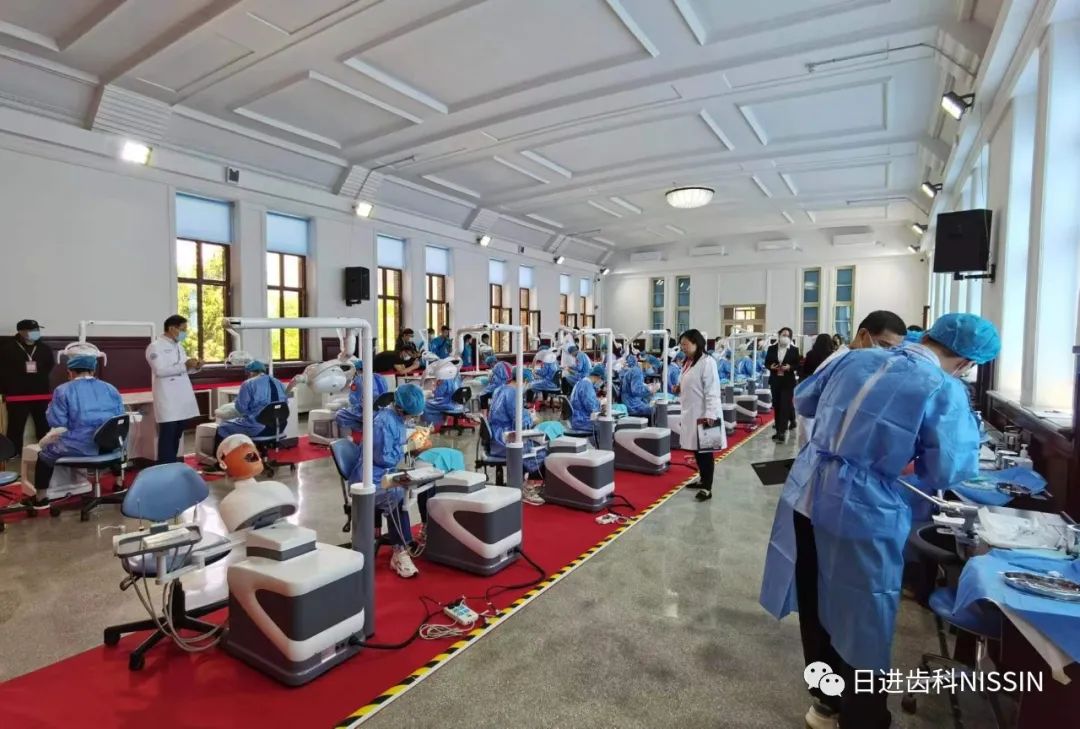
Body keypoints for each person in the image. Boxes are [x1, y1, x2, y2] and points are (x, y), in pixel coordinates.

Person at [759, 313, 1000, 729]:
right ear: (965, 362)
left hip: (807, 491)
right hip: (861, 508)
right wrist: (897, 459)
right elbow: (948, 470)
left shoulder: (855, 358)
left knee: (815, 602)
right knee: (863, 614)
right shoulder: (942, 388)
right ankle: (863, 717)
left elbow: (805, 400)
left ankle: (825, 702)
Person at [347, 384, 427, 578]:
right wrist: (407, 447)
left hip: (383, 473)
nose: (410, 418)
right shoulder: (383, 422)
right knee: (397, 497)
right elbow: (384, 458)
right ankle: (400, 551)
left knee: (424, 484)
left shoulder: (396, 418)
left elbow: (396, 440)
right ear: (400, 408)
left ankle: (416, 535)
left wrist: (413, 435)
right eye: (410, 415)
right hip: (369, 479)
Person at [796, 311, 907, 450]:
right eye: (884, 345)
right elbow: (807, 413)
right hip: (827, 450)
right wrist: (809, 451)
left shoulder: (865, 363)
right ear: (863, 335)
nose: (887, 353)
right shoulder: (838, 364)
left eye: (894, 349)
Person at [31, 353, 124, 508]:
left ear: (70, 372)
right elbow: (119, 418)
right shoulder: (110, 388)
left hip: (80, 447)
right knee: (110, 439)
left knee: (45, 454)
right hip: (109, 446)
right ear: (93, 370)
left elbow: (57, 422)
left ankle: (40, 498)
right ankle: (119, 483)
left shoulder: (63, 390)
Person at [675, 330, 723, 502]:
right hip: (692, 412)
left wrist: (710, 413)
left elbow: (712, 390)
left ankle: (707, 488)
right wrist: (679, 387)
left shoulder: (707, 362)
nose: (683, 348)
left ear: (696, 343)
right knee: (697, 450)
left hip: (705, 413)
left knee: (706, 452)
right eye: (681, 345)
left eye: (685, 344)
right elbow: (689, 381)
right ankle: (702, 479)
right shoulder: (689, 362)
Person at [146, 315, 200, 464]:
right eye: (183, 329)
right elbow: (160, 370)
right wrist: (185, 366)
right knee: (168, 433)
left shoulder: (179, 346)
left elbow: (183, 369)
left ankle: (172, 463)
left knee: (177, 433)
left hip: (181, 396)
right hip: (168, 397)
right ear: (171, 328)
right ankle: (165, 465)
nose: (185, 333)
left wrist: (196, 367)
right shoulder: (155, 347)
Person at [488, 367, 545, 505]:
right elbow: (520, 422)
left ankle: (524, 483)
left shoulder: (500, 389)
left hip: (496, 437)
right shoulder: (513, 393)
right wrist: (532, 418)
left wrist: (525, 413)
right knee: (540, 449)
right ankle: (527, 487)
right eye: (527, 383)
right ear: (524, 380)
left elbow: (511, 413)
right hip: (505, 439)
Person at [0, 319, 54, 450]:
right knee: (15, 428)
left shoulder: (44, 349)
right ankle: (13, 454)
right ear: (21, 331)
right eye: (32, 330)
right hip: (17, 395)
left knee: (44, 426)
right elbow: (3, 371)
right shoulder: (7, 349)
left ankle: (46, 452)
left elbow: (49, 366)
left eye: (37, 330)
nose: (36, 332)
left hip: (41, 394)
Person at [215, 360, 287, 444]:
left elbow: (241, 408)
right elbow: (283, 404)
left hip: (258, 428)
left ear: (250, 373)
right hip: (280, 426)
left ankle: (228, 452)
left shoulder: (248, 383)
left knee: (222, 427)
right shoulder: (279, 382)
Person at [764, 327, 800, 442]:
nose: (785, 337)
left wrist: (790, 367)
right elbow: (766, 363)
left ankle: (781, 432)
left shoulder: (794, 350)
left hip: (788, 381)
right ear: (779, 335)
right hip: (775, 380)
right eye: (783, 335)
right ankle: (779, 429)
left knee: (785, 405)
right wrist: (771, 367)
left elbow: (797, 364)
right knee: (777, 405)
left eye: (787, 335)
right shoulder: (771, 348)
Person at [335, 359, 388, 438]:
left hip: (368, 412)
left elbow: (354, 401)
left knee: (340, 415)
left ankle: (362, 429)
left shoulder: (359, 379)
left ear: (356, 370)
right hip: (382, 410)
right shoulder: (379, 377)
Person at [422, 357, 463, 428]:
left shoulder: (445, 378)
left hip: (447, 404)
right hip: (457, 404)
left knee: (425, 404)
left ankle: (432, 425)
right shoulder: (458, 376)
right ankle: (443, 423)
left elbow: (438, 395)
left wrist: (435, 388)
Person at [570, 364, 605, 432]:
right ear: (599, 377)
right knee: (608, 426)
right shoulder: (587, 386)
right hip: (583, 421)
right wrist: (601, 404)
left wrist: (597, 401)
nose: (601, 383)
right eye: (602, 380)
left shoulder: (581, 382)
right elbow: (592, 408)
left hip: (577, 419)